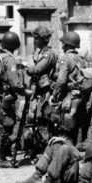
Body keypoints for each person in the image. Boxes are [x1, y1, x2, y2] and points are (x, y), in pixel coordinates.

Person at [0, 31, 32, 168]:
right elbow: (14, 82)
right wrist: (25, 91)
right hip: (6, 97)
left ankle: (1, 154)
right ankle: (0, 158)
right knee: (6, 126)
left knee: (1, 126)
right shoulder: (10, 59)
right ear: (15, 45)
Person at [21, 26, 58, 159]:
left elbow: (37, 69)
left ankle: (47, 152)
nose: (34, 41)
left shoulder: (48, 54)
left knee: (44, 120)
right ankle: (37, 148)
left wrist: (27, 67)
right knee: (34, 119)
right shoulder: (40, 53)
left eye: (36, 38)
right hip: (37, 90)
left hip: (45, 91)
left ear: (43, 39)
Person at [50, 31, 89, 145]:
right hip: (81, 96)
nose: (62, 46)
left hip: (69, 97)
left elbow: (61, 80)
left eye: (63, 43)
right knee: (76, 126)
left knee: (65, 127)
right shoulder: (81, 59)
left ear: (66, 44)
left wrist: (54, 94)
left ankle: (66, 151)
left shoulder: (65, 59)